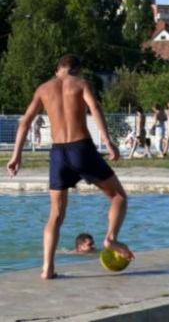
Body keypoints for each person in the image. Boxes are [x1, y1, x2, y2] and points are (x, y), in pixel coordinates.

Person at [6, 54, 134, 279]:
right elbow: (95, 109)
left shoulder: (43, 89)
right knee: (118, 197)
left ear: (58, 70)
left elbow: (25, 121)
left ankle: (48, 268)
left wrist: (16, 155)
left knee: (55, 215)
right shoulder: (82, 84)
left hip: (58, 154)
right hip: (81, 149)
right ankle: (111, 238)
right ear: (77, 70)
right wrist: (107, 140)